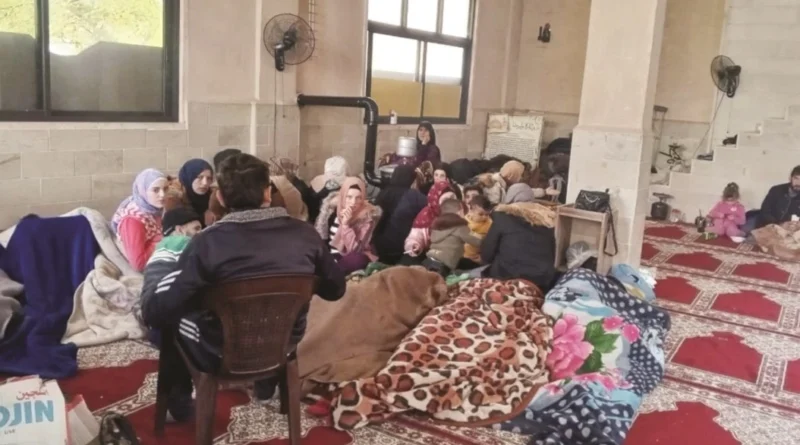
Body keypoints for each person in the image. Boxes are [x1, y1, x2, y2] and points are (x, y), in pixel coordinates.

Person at [141, 153, 346, 416]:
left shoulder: (207, 242)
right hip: (282, 345)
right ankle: (266, 386)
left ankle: (179, 407)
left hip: (219, 352)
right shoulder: (306, 235)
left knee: (171, 310)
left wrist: (158, 269)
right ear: (267, 193)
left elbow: (156, 311)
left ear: (221, 198)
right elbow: (335, 290)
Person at [138, 207, 203, 347]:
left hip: (150, 309)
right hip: (161, 309)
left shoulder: (162, 246)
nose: (201, 233)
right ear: (179, 230)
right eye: (196, 229)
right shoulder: (182, 241)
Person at [481, 200, 556, 291]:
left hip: (506, 278)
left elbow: (487, 255)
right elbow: (552, 255)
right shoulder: (547, 227)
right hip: (541, 282)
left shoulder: (503, 219)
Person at [315, 177, 382, 273]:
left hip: (348, 257)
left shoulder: (368, 217)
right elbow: (322, 238)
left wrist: (346, 225)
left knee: (357, 259)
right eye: (349, 197)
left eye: (358, 198)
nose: (353, 202)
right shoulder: (333, 209)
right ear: (343, 196)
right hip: (329, 254)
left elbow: (355, 249)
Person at [112, 168, 168, 272]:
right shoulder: (133, 219)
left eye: (165, 189)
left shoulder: (154, 210)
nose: (162, 195)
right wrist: (163, 241)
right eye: (155, 190)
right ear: (143, 191)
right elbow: (138, 264)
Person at [373, 167, 428, 264]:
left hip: (378, 247)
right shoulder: (414, 196)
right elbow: (432, 206)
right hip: (402, 248)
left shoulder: (383, 192)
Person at [424, 199, 482, 277]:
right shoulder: (460, 226)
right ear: (459, 212)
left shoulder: (436, 227)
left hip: (429, 260)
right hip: (443, 266)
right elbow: (478, 242)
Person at [403, 181, 456, 259]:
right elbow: (415, 236)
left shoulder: (460, 213)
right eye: (445, 200)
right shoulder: (425, 215)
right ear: (436, 201)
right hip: (430, 257)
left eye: (452, 199)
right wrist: (414, 245)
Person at [166, 159, 215, 226]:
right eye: (200, 177)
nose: (205, 183)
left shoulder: (212, 195)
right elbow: (176, 224)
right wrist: (202, 218)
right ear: (189, 177)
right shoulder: (174, 197)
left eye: (209, 178)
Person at [463, 195, 493, 267]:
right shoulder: (463, 221)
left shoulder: (489, 224)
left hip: (477, 258)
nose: (484, 217)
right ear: (471, 211)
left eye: (487, 214)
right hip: (462, 256)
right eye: (481, 214)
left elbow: (491, 243)